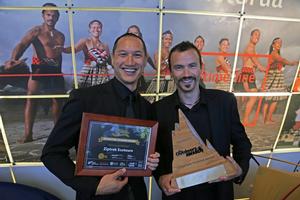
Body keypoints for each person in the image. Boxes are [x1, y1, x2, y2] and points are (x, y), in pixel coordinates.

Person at [41, 33, 160, 200]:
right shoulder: (84, 99)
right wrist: (93, 186)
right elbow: (51, 154)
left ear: (144, 60)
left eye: (137, 55)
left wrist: (151, 160)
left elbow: (143, 153)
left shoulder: (147, 108)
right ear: (112, 58)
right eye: (123, 54)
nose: (130, 61)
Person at [154, 41, 252, 200]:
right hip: (178, 196)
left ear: (201, 68)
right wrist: (160, 178)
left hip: (219, 194)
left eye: (192, 66)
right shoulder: (158, 109)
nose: (186, 74)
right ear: (171, 71)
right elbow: (155, 155)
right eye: (179, 67)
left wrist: (239, 170)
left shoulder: (225, 102)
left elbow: (242, 143)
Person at [5, 3, 65, 143]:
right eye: (48, 14)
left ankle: (57, 133)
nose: (51, 17)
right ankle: (28, 135)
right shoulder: (36, 31)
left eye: (54, 15)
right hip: (39, 67)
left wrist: (59, 70)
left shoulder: (60, 35)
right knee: (31, 98)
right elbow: (22, 44)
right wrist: (13, 59)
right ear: (43, 15)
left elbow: (59, 54)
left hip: (55, 69)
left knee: (57, 101)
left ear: (58, 17)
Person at [63, 20, 112, 88]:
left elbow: (109, 62)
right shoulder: (86, 41)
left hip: (102, 74)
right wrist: (62, 49)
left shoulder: (105, 45)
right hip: (89, 73)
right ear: (89, 30)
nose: (96, 29)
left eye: (98, 27)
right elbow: (74, 49)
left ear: (101, 30)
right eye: (94, 27)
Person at [262, 37, 298, 124]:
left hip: (275, 76)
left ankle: (267, 119)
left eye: (280, 43)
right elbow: (282, 60)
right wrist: (291, 63)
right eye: (277, 42)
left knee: (270, 99)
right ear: (273, 45)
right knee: (274, 99)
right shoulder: (274, 53)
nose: (279, 44)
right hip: (274, 77)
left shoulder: (275, 53)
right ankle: (267, 119)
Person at [236, 29, 266, 126]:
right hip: (247, 74)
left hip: (248, 73)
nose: (257, 36)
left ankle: (241, 118)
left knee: (245, 98)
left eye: (259, 35)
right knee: (252, 97)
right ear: (251, 36)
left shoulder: (252, 48)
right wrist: (261, 67)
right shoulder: (250, 47)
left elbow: (252, 63)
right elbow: (254, 60)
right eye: (255, 34)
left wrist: (257, 67)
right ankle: (245, 120)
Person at [126, 25, 155, 92]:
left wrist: (155, 68)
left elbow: (148, 57)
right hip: (127, 76)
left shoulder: (141, 46)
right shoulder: (123, 46)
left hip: (139, 77)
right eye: (131, 33)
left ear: (139, 34)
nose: (133, 35)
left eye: (136, 33)